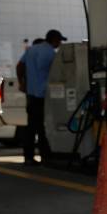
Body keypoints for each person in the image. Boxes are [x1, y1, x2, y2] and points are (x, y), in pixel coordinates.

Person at [19, 29, 65, 165]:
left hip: (31, 94)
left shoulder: (31, 50)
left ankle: (29, 157)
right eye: (59, 41)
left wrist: (22, 82)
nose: (60, 44)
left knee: (31, 127)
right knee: (43, 127)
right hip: (42, 95)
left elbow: (19, 66)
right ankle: (46, 156)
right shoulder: (51, 53)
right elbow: (54, 73)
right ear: (54, 40)